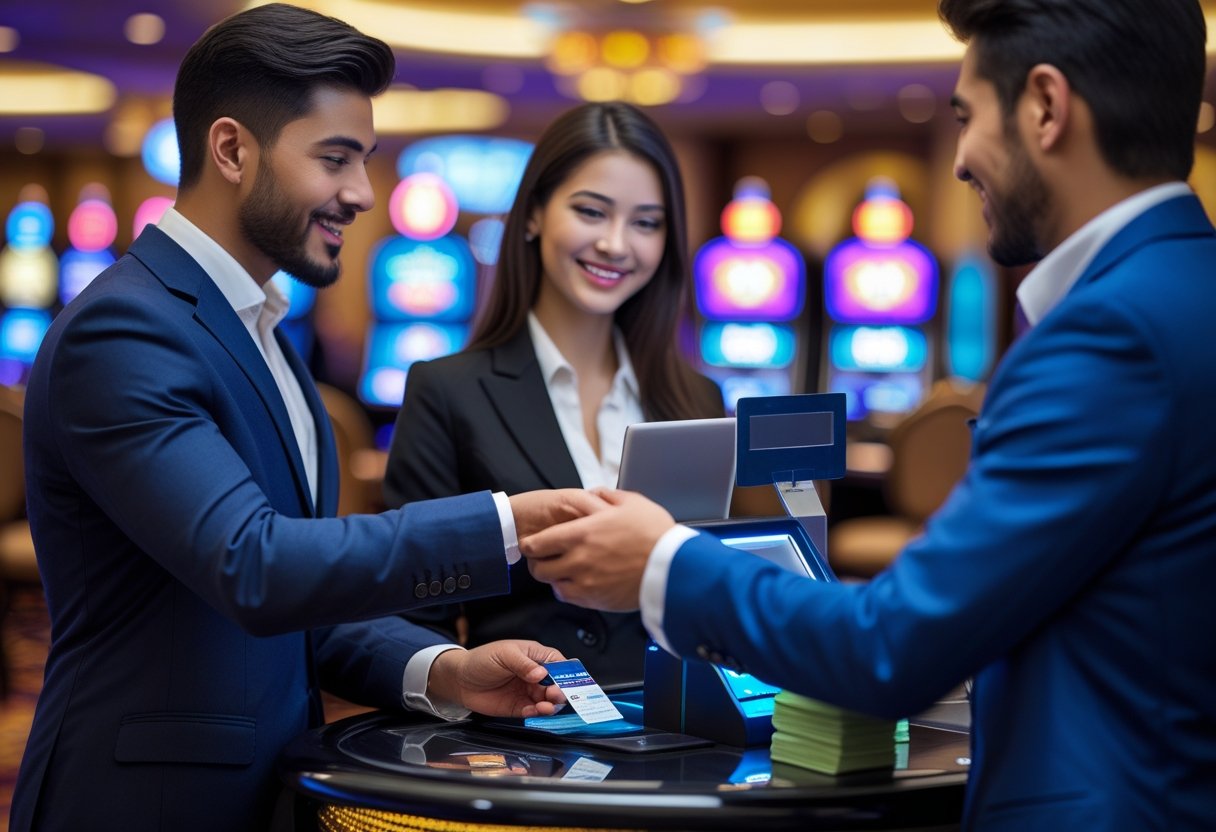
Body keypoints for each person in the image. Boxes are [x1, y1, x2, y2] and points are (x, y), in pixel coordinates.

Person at [522, 1, 1216, 829]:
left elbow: (891, 648)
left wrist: (661, 560)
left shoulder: (1110, 334)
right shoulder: (1188, 294)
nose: (959, 162)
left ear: (1044, 106)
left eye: (966, 118)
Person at [10, 6, 602, 831]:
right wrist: (505, 523)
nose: (362, 193)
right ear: (231, 150)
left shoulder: (264, 330)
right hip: (142, 798)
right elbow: (255, 566)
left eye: (364, 159)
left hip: (266, 783)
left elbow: (297, 612)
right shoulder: (125, 329)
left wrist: (442, 669)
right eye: (335, 159)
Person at [382, 102, 723, 687]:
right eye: (592, 212)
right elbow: (410, 617)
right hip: (526, 737)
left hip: (685, 731)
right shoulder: (447, 390)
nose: (617, 244)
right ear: (535, 214)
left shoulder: (699, 396)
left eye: (646, 222)